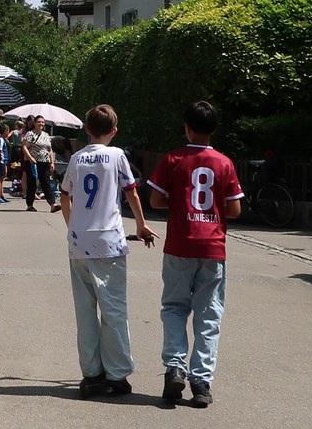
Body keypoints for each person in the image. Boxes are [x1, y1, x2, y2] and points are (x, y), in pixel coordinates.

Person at [146, 101, 243, 408]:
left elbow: (156, 201)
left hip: (178, 245)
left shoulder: (173, 158)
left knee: (174, 307)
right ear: (214, 129)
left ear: (186, 127)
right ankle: (201, 382)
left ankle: (175, 367)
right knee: (208, 315)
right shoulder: (224, 163)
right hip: (212, 248)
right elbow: (235, 209)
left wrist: (178, 201)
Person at [60, 103, 159, 400]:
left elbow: (64, 196)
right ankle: (117, 374)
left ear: (87, 130)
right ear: (114, 131)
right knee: (113, 309)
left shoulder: (76, 159)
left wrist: (72, 226)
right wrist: (141, 225)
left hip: (80, 242)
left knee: (85, 310)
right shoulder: (117, 156)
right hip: (109, 241)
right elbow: (131, 192)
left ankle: (91, 374)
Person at [22, 116, 59, 213]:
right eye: (39, 122)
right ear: (34, 123)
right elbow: (24, 147)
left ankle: (52, 205)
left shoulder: (46, 135)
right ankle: (30, 204)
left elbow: (49, 150)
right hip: (33, 162)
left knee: (46, 183)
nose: (41, 124)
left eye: (42, 122)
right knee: (32, 183)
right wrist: (30, 158)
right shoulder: (30, 134)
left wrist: (52, 162)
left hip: (44, 162)